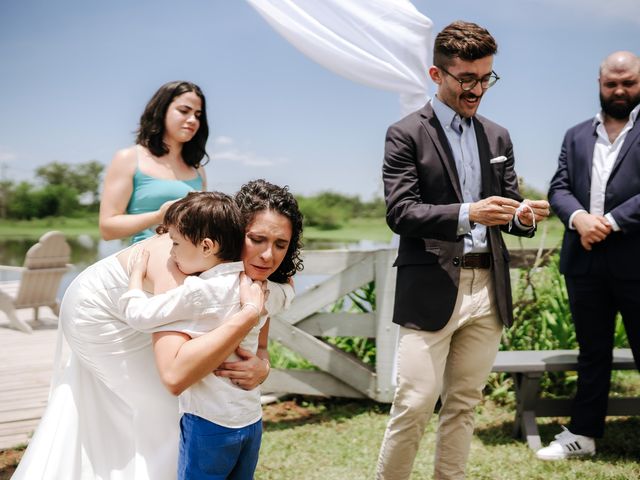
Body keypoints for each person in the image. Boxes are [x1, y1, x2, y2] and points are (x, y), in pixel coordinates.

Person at [12, 179, 304, 479]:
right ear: (230, 231)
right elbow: (174, 375)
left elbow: (260, 338)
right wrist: (246, 314)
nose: (268, 255)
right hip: (102, 310)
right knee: (167, 408)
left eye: (281, 244)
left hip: (146, 310)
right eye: (256, 239)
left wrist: (263, 366)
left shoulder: (249, 274)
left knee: (157, 409)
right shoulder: (179, 258)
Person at [376, 21, 550, 479]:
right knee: (413, 403)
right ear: (437, 75)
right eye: (467, 79)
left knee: (464, 404)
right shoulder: (405, 133)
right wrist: (468, 213)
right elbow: (401, 213)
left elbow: (507, 207)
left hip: (487, 288)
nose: (478, 89)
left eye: (486, 77)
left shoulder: (498, 137)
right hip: (430, 284)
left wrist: (523, 214)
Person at [119, 191, 294, 479]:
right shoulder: (263, 289)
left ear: (207, 245)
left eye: (175, 244)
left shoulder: (198, 291)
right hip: (250, 420)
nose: (171, 252)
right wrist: (287, 283)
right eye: (257, 239)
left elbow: (138, 315)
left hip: (209, 423)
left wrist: (136, 276)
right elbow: (287, 295)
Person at [536, 51, 640, 461]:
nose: (619, 90)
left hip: (636, 260)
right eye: (611, 83)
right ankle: (582, 434)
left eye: (628, 82)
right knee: (591, 351)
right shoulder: (576, 134)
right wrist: (579, 218)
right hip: (584, 262)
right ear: (599, 83)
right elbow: (558, 188)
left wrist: (610, 222)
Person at [99, 80, 208, 243]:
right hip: (143, 262)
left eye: (198, 115)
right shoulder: (128, 158)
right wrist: (158, 216)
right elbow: (107, 229)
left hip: (190, 264)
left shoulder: (197, 169)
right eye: (184, 111)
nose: (193, 120)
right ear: (162, 111)